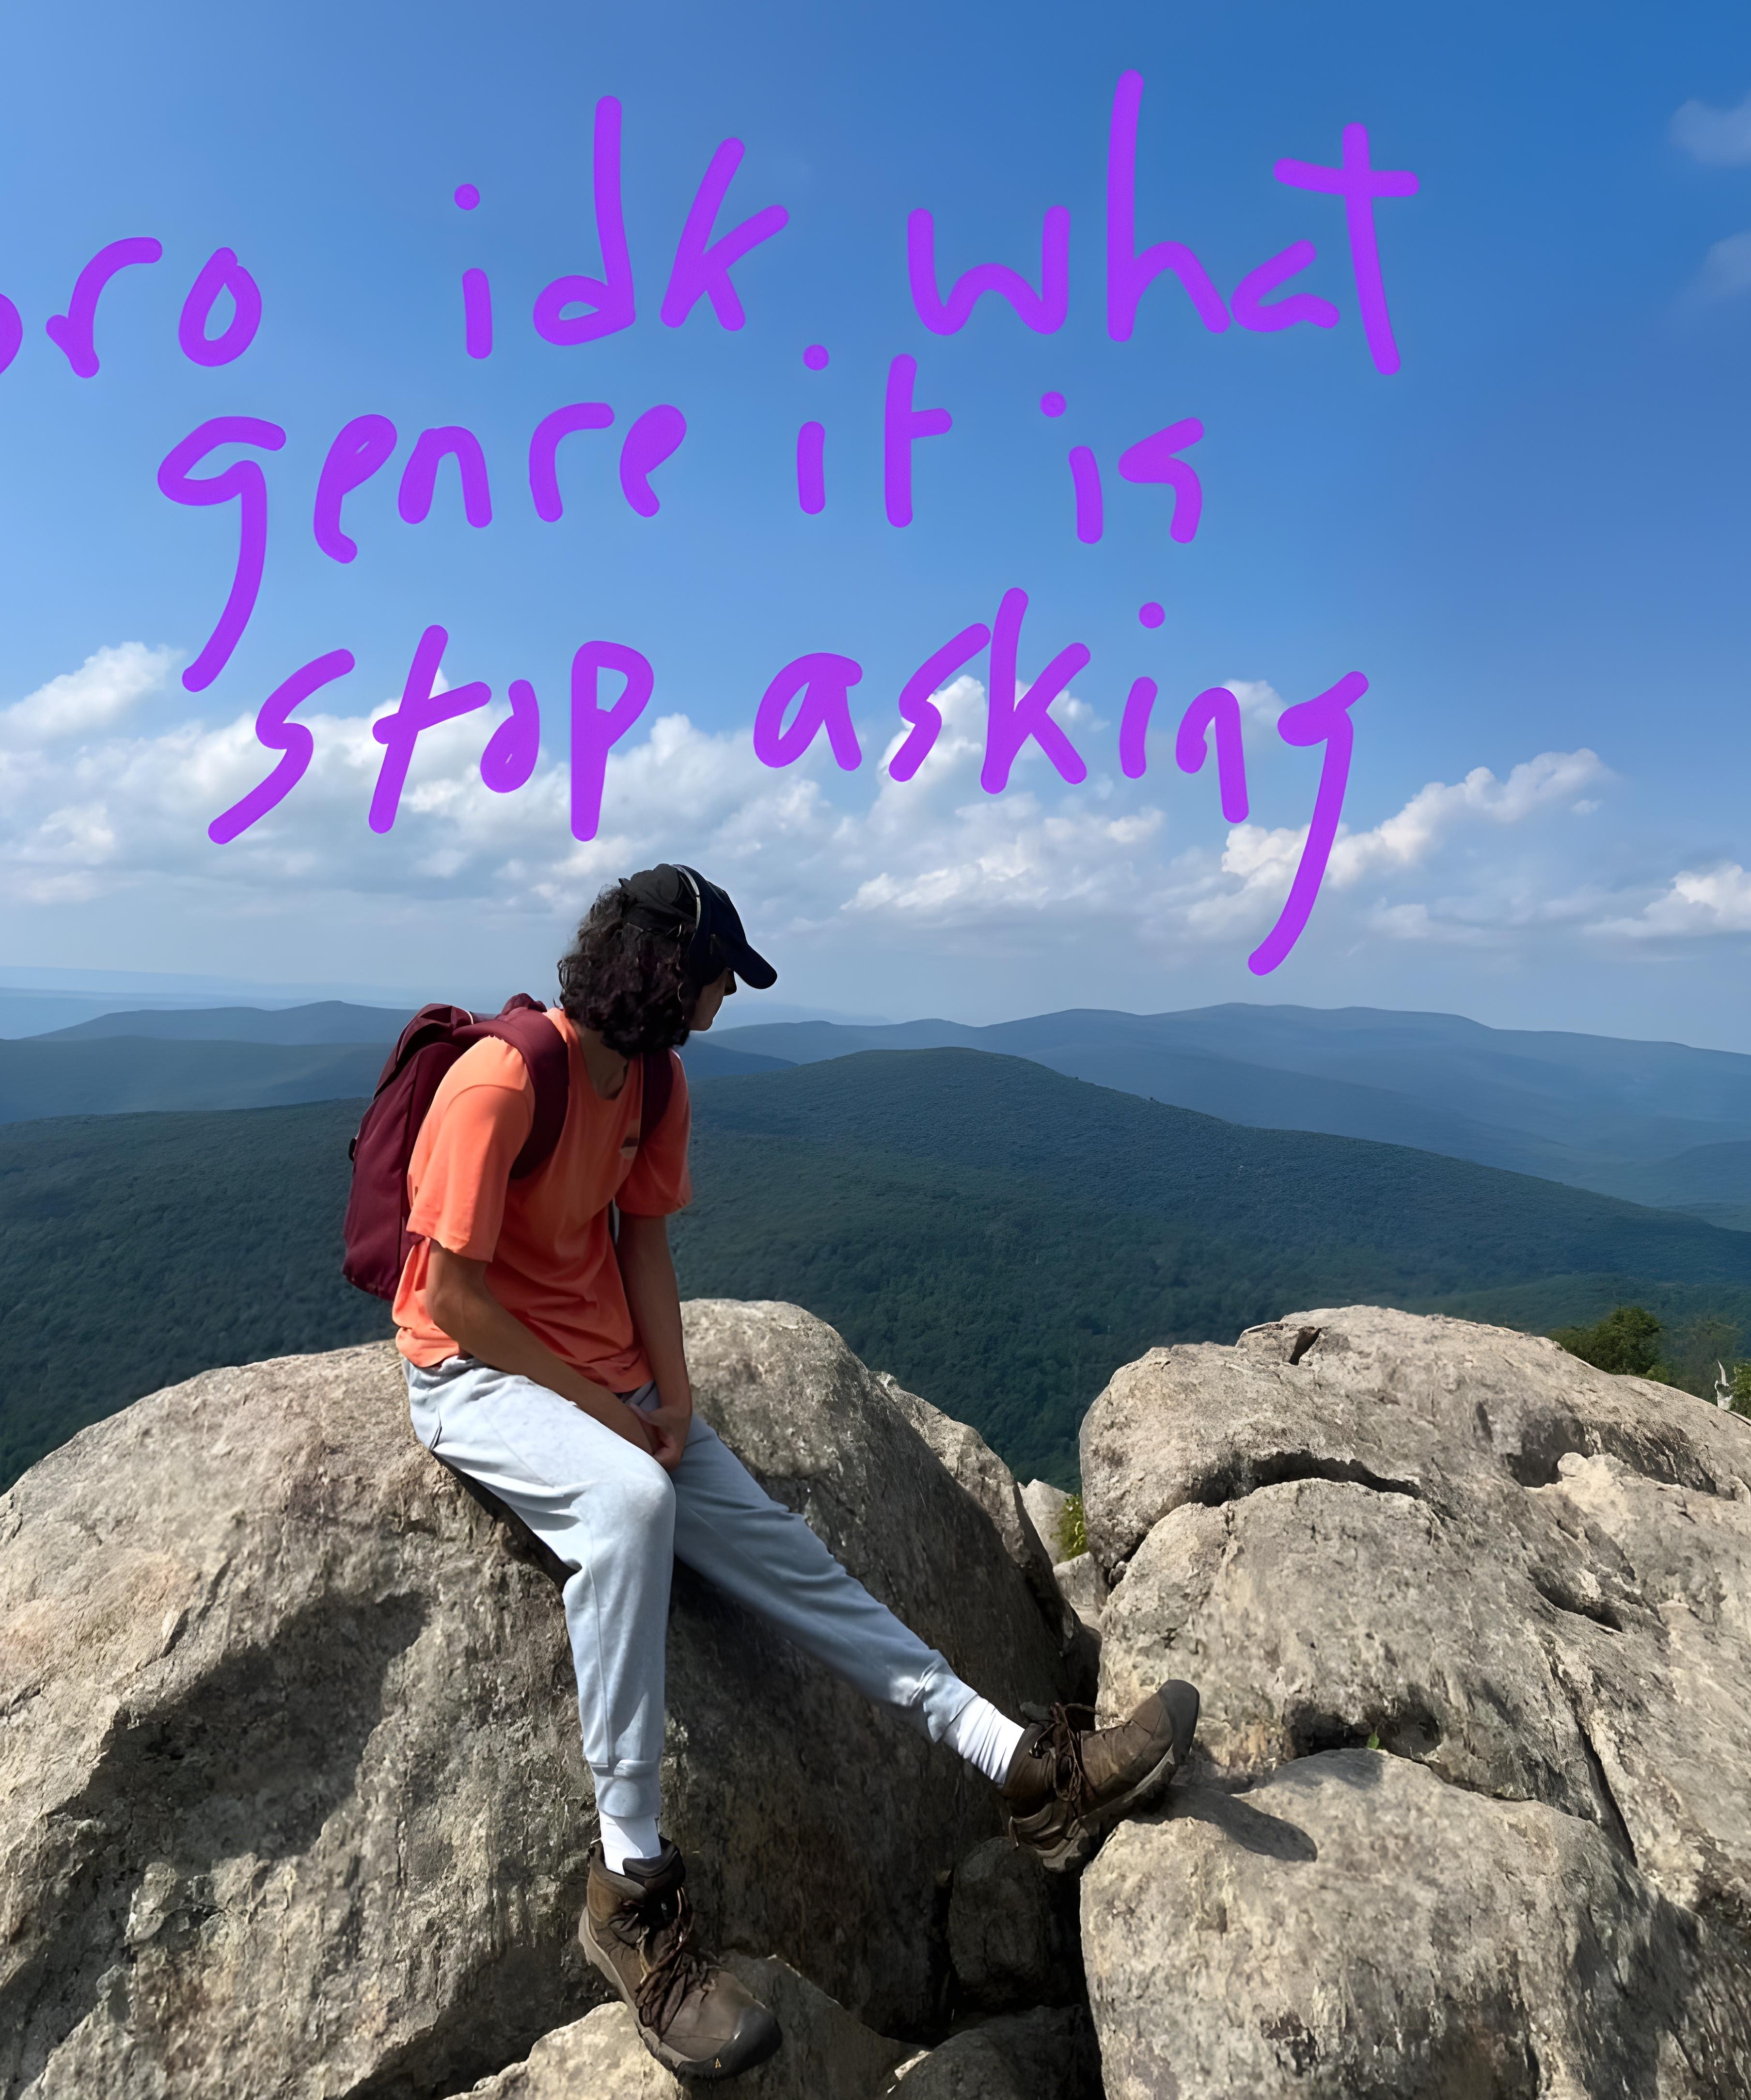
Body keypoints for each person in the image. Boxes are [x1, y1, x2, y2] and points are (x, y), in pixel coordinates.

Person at [392, 863, 1197, 2081]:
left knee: (792, 1557)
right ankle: (627, 1888)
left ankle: (1021, 1765)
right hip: (471, 1372)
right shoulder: (502, 1079)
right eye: (717, 976)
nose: (723, 1000)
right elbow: (451, 1296)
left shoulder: (653, 1082)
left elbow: (642, 1242)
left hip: (604, 1379)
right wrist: (609, 1416)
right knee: (629, 1506)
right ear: (667, 972)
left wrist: (671, 1398)